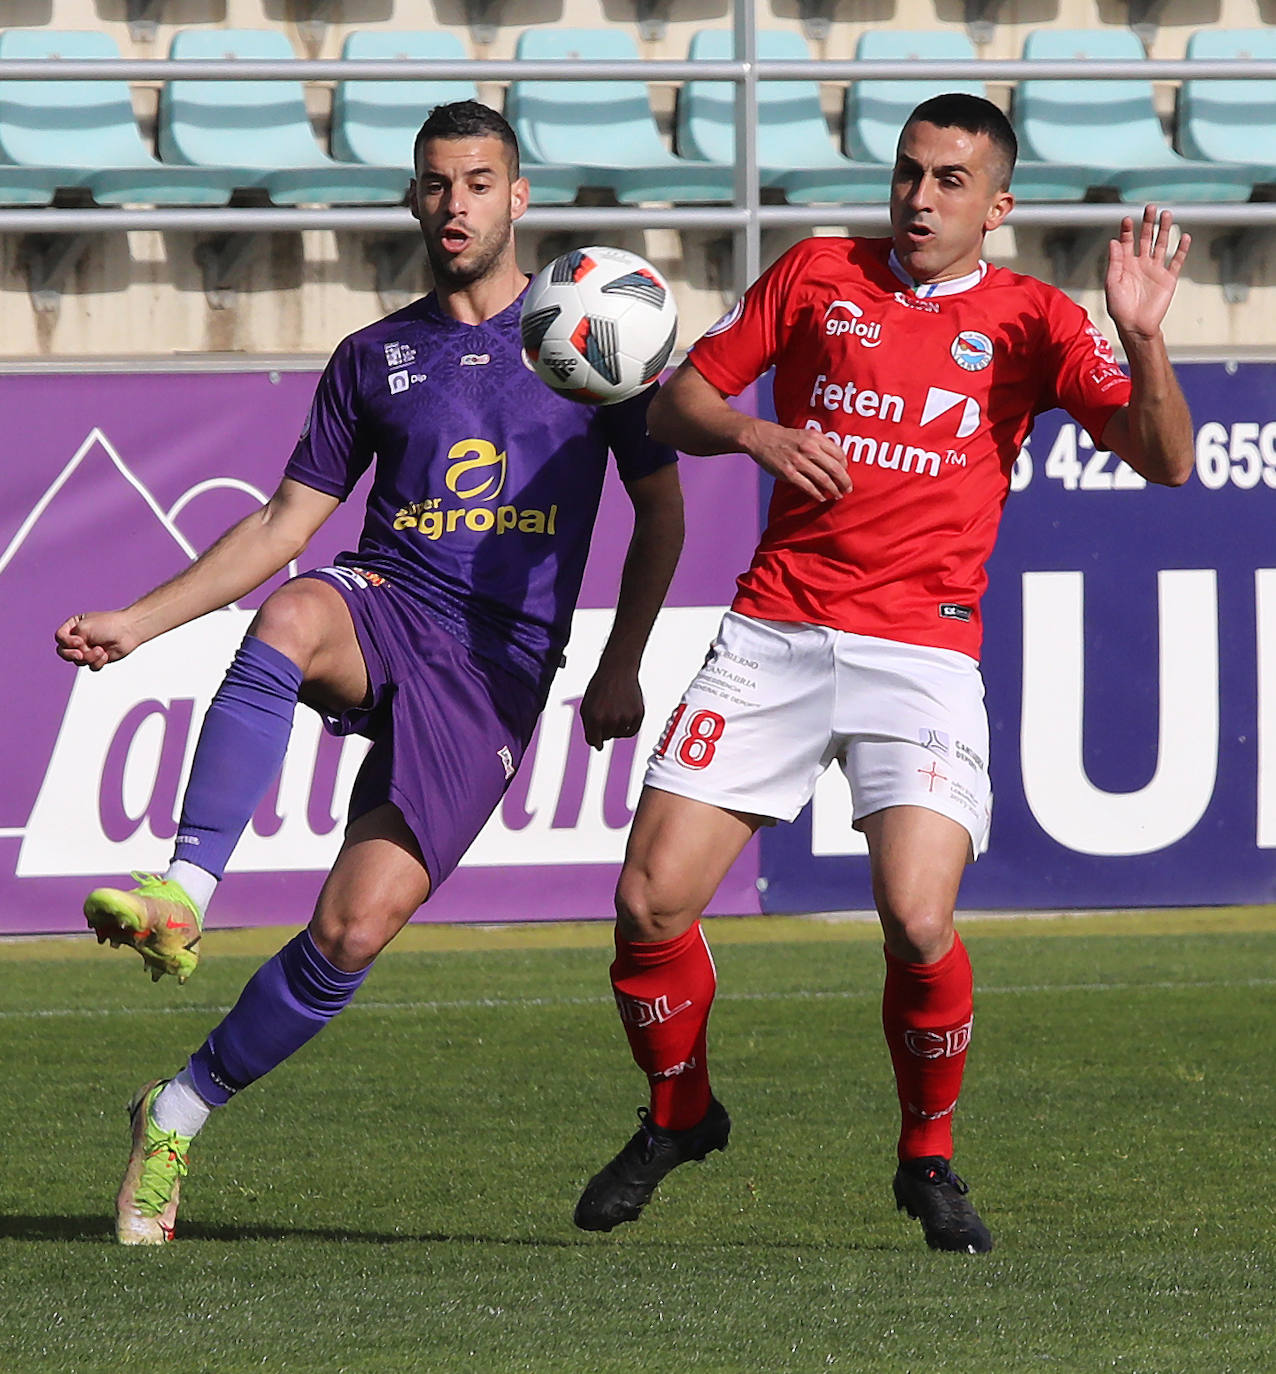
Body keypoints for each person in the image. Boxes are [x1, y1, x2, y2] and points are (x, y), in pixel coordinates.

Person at [572, 93, 1193, 1254]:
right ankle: (679, 1114)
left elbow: (1165, 461)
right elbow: (677, 400)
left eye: (950, 181)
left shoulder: (1035, 320)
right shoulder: (813, 273)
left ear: (996, 207)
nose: (919, 197)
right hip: (773, 629)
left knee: (916, 917)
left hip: (920, 650)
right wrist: (758, 435)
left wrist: (1142, 336)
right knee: (648, 901)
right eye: (909, 172)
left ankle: (927, 1159)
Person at [54, 101, 683, 1245]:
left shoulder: (597, 347)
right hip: (388, 604)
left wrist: (620, 663)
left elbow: (660, 515)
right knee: (297, 606)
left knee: (351, 932)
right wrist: (141, 622)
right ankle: (182, 897)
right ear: (412, 196)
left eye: (479, 183)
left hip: (497, 672)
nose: (456, 205)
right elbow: (283, 523)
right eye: (438, 184)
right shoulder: (375, 358)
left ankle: (177, 1112)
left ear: (519, 198)